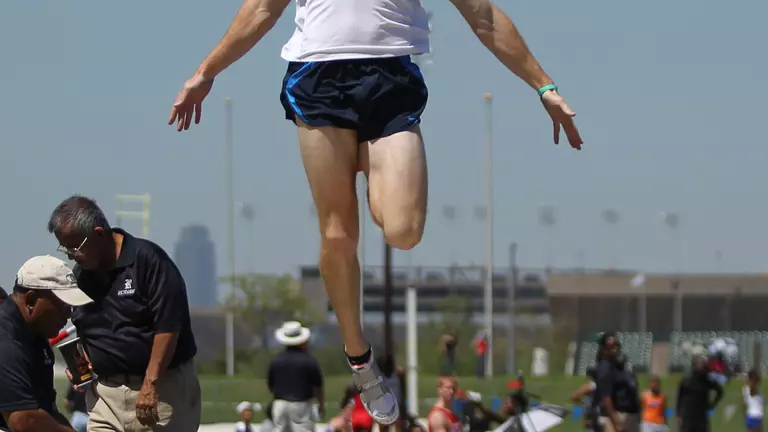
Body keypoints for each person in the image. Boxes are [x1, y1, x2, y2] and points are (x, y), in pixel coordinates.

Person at [168, 0, 583, 423]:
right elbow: (261, 10)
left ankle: (371, 171)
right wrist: (206, 72)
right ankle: (359, 356)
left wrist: (544, 87)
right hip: (318, 75)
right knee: (338, 234)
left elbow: (484, 16)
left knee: (404, 230)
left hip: (389, 77)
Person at [47, 195, 202, 431]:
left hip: (161, 390)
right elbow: (83, 327)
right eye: (65, 248)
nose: (70, 255)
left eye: (74, 247)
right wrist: (84, 361)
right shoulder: (81, 277)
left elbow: (169, 326)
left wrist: (151, 383)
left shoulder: (148, 260)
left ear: (99, 234)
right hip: (106, 397)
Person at [0, 255, 93, 432]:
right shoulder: (5, 339)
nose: (69, 314)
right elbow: (23, 419)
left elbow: (47, 411)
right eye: (63, 305)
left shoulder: (36, 337)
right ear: (31, 301)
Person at [268, 321, 325, 432]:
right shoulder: (309, 361)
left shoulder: (276, 361)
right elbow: (318, 386)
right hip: (301, 403)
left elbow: (271, 385)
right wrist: (321, 405)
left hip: (280, 403)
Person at [595, 332, 641, 432]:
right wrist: (616, 422)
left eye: (616, 345)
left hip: (630, 416)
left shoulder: (619, 366)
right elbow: (606, 397)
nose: (615, 349)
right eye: (611, 346)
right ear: (604, 349)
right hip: (617, 416)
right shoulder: (605, 368)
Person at [676, 356, 723, 432]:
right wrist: (678, 414)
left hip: (701, 418)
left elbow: (720, 391)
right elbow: (679, 398)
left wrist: (712, 404)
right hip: (688, 417)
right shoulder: (687, 381)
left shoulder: (706, 381)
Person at [570, 367, 599, 432]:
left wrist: (582, 402)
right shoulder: (606, 383)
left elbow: (574, 396)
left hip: (594, 417)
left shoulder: (592, 385)